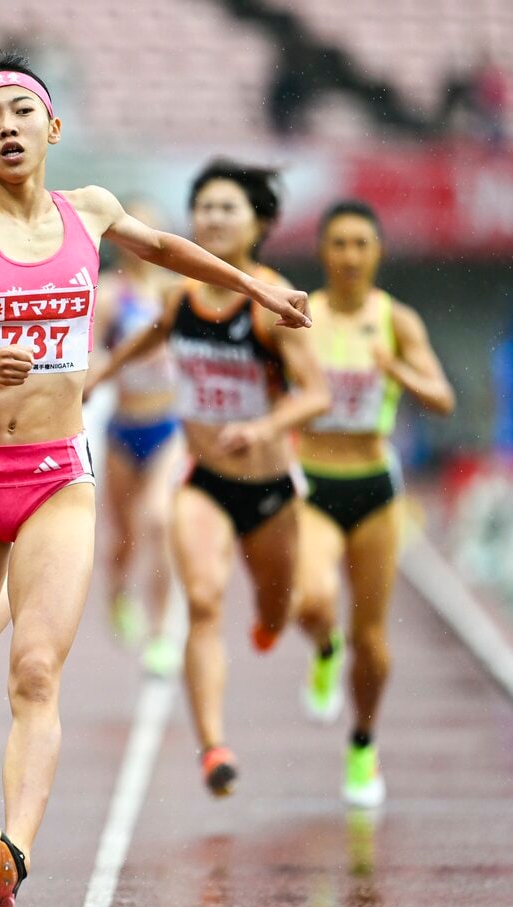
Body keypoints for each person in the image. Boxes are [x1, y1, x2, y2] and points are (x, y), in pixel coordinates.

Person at [0, 55, 312, 907]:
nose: (9, 127)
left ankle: (14, 847)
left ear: (54, 130)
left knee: (37, 673)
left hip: (56, 475)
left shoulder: (93, 211)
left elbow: (167, 249)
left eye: (23, 112)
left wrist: (259, 288)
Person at [86, 160, 330, 801]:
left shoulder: (274, 301)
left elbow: (317, 395)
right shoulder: (181, 297)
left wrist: (265, 427)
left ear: (259, 224)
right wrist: (100, 376)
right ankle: (214, 746)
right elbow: (150, 340)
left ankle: (283, 627)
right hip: (204, 477)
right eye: (206, 208)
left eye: (229, 208)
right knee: (202, 601)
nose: (214, 219)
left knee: (284, 609)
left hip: (270, 485)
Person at [290, 200, 455, 808]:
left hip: (375, 488)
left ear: (377, 252)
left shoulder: (397, 321)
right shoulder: (301, 314)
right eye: (339, 243)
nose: (350, 256)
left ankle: (362, 742)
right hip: (313, 481)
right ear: (323, 252)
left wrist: (398, 373)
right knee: (310, 597)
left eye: (362, 244)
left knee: (374, 640)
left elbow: (442, 398)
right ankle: (323, 650)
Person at [92, 200, 182, 676]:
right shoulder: (111, 295)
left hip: (170, 426)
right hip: (122, 429)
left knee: (158, 521)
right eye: (137, 225)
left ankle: (161, 631)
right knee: (123, 538)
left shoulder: (180, 290)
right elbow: (89, 355)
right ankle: (119, 592)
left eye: (156, 225)